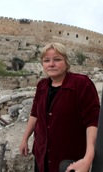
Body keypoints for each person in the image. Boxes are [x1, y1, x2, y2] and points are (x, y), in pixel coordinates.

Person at [19, 42, 100, 172]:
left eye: (57, 59)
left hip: (68, 160)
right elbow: (35, 114)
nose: (51, 64)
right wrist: (24, 139)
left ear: (66, 62)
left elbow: (93, 121)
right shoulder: (42, 85)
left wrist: (88, 158)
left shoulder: (82, 84)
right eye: (46, 60)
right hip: (42, 155)